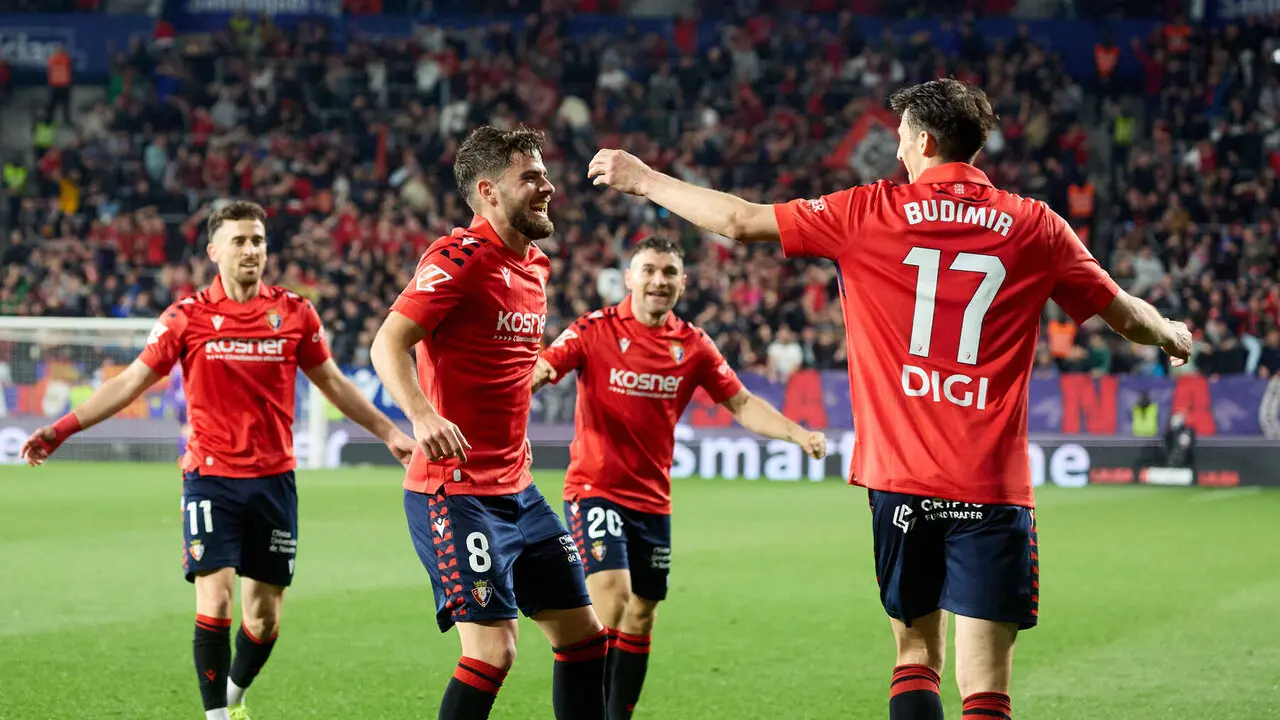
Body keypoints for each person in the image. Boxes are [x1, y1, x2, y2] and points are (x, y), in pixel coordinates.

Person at [586, 78, 1192, 720]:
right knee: (986, 689)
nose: (896, 148)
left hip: (901, 481)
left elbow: (739, 220)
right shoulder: (1034, 224)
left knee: (915, 658)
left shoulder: (870, 211)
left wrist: (646, 179)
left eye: (901, 136)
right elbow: (1123, 314)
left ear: (925, 140)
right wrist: (1172, 334)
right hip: (990, 484)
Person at [21, 200, 417, 720]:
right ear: (214, 252)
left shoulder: (296, 313)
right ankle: (214, 716)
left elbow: (334, 385)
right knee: (217, 601)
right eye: (239, 241)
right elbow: (129, 381)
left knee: (265, 617)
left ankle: (233, 696)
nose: (251, 250)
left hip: (274, 479)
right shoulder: (185, 319)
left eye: (258, 240)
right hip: (209, 477)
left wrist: (389, 431)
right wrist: (61, 429)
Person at [532, 236, 828, 719]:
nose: (658, 280)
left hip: (652, 499)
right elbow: (546, 364)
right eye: (648, 270)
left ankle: (616, 713)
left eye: (669, 272)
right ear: (629, 277)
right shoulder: (594, 329)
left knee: (643, 612)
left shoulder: (692, 345)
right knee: (613, 593)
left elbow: (742, 403)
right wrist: (528, 380)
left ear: (682, 283)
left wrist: (797, 434)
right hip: (594, 488)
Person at [370, 125, 607, 720]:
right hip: (453, 493)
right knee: (493, 651)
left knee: (585, 639)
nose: (547, 186)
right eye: (530, 177)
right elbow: (387, 345)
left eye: (544, 174)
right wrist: (422, 415)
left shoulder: (536, 267)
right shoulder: (458, 258)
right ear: (488, 191)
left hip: (518, 490)